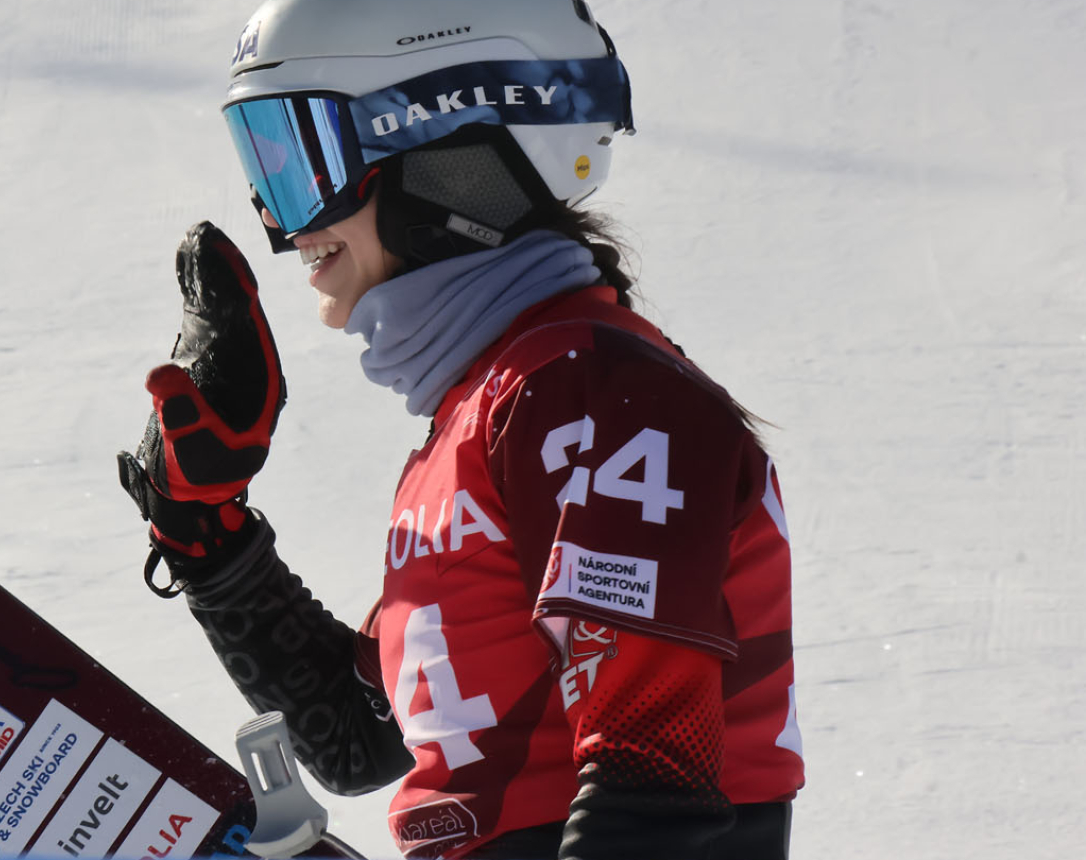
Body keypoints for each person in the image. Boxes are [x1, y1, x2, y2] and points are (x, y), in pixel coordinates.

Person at [117, 1, 805, 857]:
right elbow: (357, 735)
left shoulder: (593, 397)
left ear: (446, 153)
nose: (283, 223)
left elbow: (654, 780)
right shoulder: (496, 413)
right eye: (268, 163)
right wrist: (207, 537)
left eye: (306, 159)